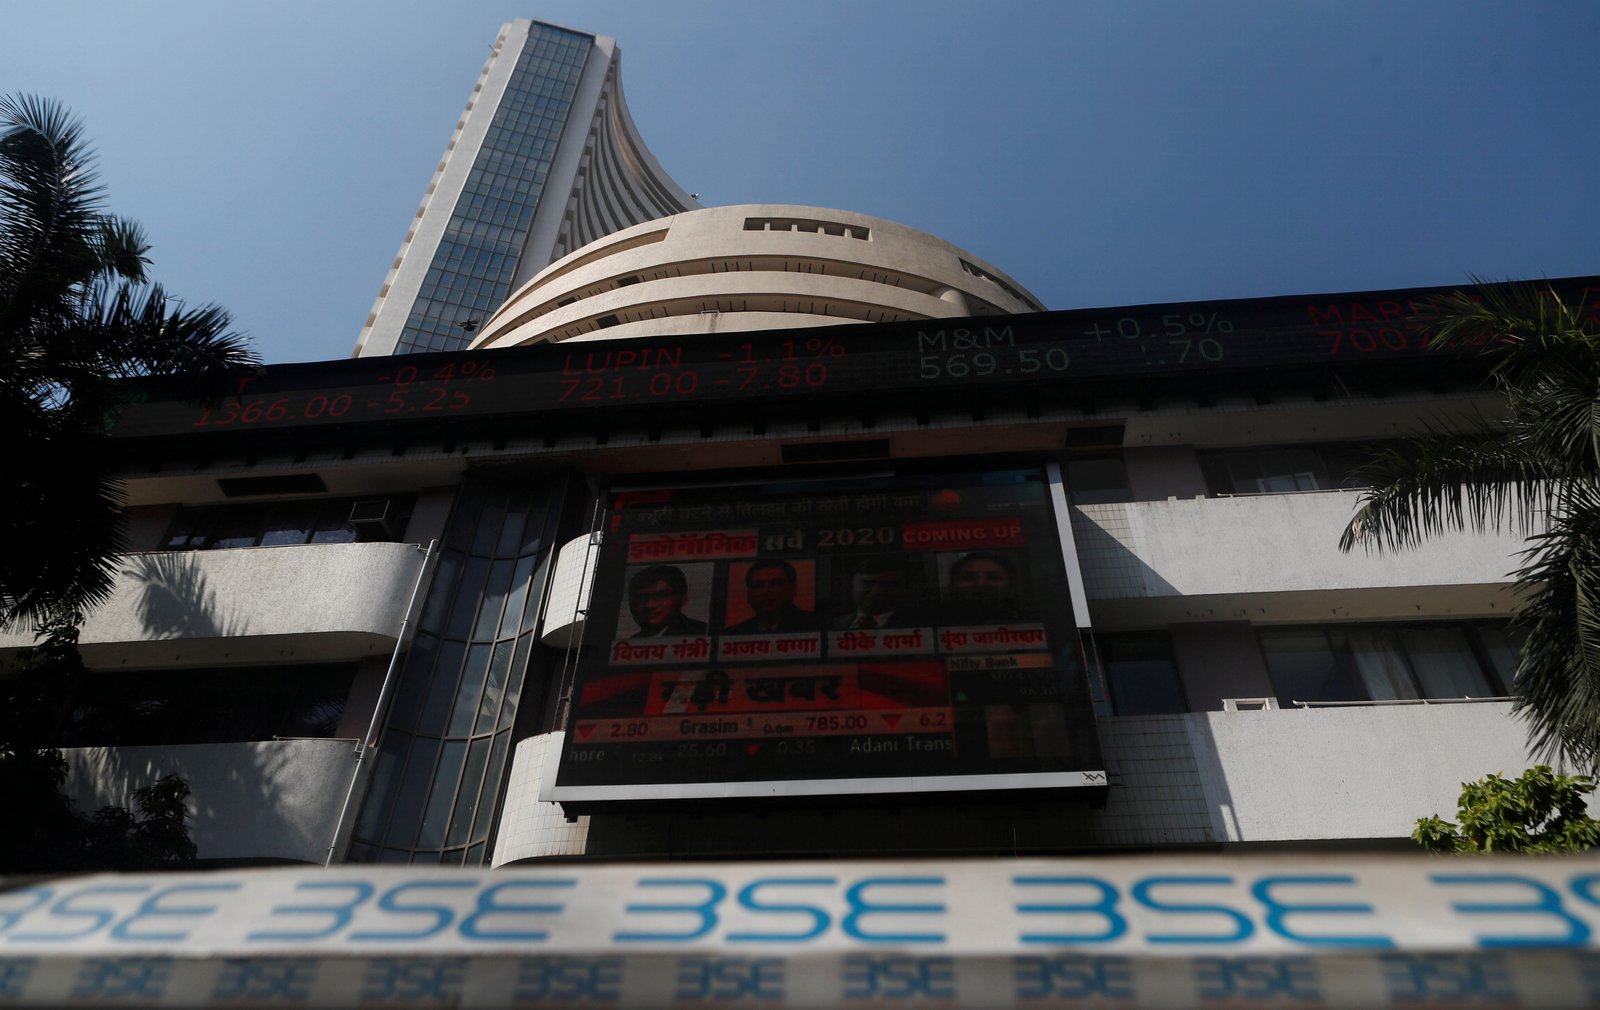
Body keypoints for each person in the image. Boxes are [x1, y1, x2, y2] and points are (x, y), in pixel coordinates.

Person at [832, 555, 925, 629]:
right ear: (851, 586)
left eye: (888, 585)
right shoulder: (834, 624)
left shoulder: (919, 625)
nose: (877, 591)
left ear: (906, 589)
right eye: (867, 584)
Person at [724, 560, 816, 634]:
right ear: (748, 594)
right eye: (758, 585)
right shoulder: (733, 634)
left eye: (776, 583)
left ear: (793, 589)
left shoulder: (815, 626)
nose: (766, 591)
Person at [625, 565, 708, 638]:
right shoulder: (632, 641)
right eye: (642, 598)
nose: (650, 605)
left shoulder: (702, 632)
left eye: (661, 596)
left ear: (683, 599)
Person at [942, 550, 1021, 622]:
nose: (980, 584)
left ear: (1011, 585)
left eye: (993, 578)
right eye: (969, 578)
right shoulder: (939, 620)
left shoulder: (1026, 619)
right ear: (952, 585)